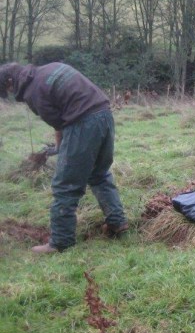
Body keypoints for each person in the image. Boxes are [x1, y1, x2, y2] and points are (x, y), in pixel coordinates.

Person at [0, 62, 128, 253]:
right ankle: (117, 222)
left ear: (11, 81)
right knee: (99, 174)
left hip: (83, 123)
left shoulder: (34, 91)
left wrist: (61, 149)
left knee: (65, 184)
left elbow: (59, 126)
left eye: (7, 89)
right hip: (104, 114)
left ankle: (60, 241)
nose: (10, 92)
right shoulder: (51, 67)